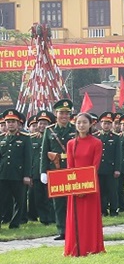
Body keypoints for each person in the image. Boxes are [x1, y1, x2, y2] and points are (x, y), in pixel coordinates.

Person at [64, 112, 105, 257]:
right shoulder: (70, 144)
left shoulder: (96, 143)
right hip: (74, 185)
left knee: (90, 217)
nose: (81, 125)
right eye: (78, 122)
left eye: (84, 122)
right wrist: (75, 186)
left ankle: (92, 247)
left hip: (91, 184)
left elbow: (95, 166)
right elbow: (70, 166)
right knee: (74, 217)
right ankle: (74, 248)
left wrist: (86, 186)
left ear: (91, 124)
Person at [40, 99, 76, 240]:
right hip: (56, 170)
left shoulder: (75, 129)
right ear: (56, 114)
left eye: (67, 113)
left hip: (72, 169)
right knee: (59, 203)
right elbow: (44, 152)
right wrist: (43, 171)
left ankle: (74, 229)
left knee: (73, 201)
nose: (64, 116)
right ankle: (62, 230)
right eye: (61, 113)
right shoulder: (50, 130)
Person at [0, 109, 32, 229]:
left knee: (19, 200)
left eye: (13, 121)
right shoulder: (2, 138)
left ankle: (15, 223)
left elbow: (28, 158)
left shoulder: (25, 138)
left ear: (18, 123)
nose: (10, 124)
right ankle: (4, 219)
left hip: (18, 175)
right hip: (3, 174)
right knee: (2, 199)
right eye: (8, 122)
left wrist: (27, 175)